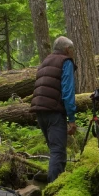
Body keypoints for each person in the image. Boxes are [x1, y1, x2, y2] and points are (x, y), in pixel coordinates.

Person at [30, 36, 78, 183]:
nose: (73, 53)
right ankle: (54, 191)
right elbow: (68, 91)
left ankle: (52, 184)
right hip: (54, 112)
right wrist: (71, 118)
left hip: (40, 111)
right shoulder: (66, 62)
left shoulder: (45, 62)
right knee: (58, 152)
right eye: (72, 50)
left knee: (54, 150)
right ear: (67, 49)